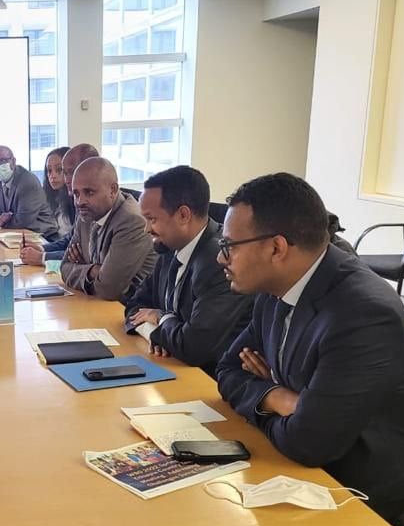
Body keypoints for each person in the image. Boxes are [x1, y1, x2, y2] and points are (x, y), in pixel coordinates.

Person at [215, 172, 404, 524]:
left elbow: (308, 442)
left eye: (229, 245)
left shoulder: (363, 314)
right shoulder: (274, 288)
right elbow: (227, 371)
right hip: (301, 472)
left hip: (364, 498)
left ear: (276, 248)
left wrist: (277, 401)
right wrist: (280, 398)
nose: (220, 258)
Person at [125, 165, 252, 376]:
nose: (146, 229)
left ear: (183, 215)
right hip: (169, 365)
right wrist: (155, 333)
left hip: (208, 379)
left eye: (152, 219)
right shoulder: (168, 247)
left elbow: (193, 347)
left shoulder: (219, 262)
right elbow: (134, 306)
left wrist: (160, 317)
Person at [60, 157, 155, 302]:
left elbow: (108, 289)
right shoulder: (86, 214)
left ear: (113, 190)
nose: (80, 201)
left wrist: (82, 268)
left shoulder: (131, 221)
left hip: (128, 309)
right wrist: (92, 270)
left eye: (89, 192)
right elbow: (64, 267)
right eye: (76, 194)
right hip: (97, 304)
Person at [21, 143, 99, 266]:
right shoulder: (71, 198)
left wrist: (42, 257)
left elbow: (84, 254)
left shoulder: (89, 204)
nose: (67, 178)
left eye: (60, 171)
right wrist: (42, 249)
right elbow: (71, 241)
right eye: (65, 172)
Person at [0, 145, 59, 239]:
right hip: (14, 237)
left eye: (3, 161)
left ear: (13, 161)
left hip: (44, 236)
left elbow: (22, 222)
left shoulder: (27, 181)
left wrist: (0, 221)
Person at [42, 146, 74, 238]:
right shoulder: (50, 196)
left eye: (59, 170)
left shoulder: (76, 199)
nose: (53, 175)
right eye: (49, 170)